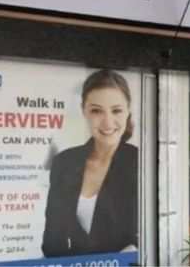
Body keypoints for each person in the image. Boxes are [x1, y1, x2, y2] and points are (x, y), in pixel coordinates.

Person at [42, 69, 138, 256]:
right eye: (96, 111)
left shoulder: (140, 162)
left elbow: (152, 231)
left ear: (128, 112)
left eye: (116, 110)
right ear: (84, 111)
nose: (107, 122)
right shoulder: (64, 162)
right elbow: (52, 241)